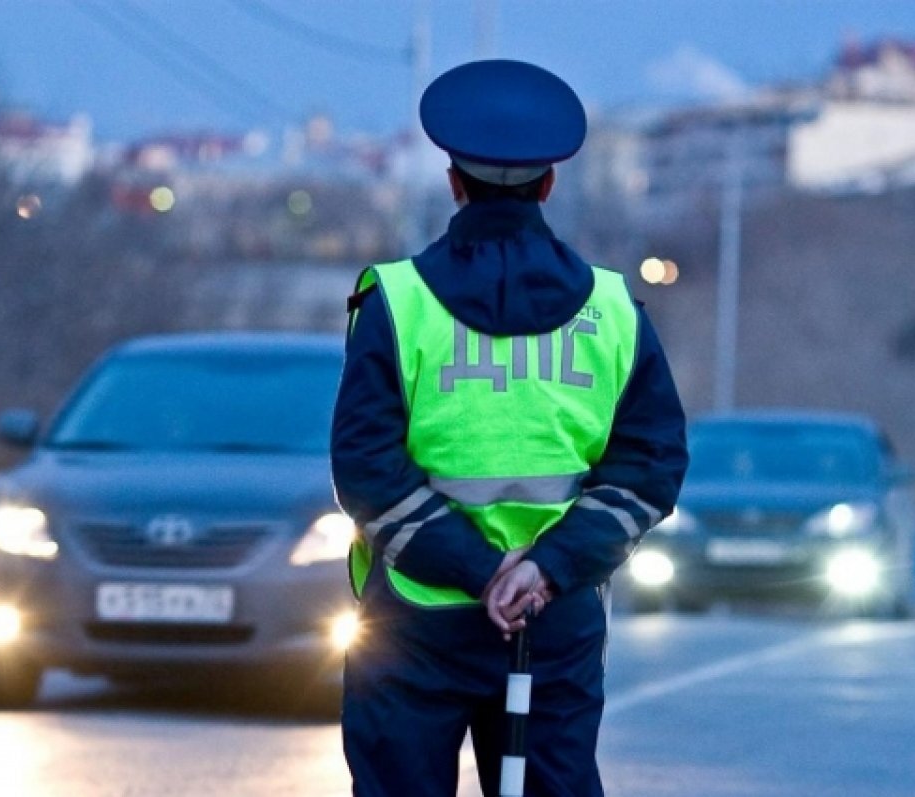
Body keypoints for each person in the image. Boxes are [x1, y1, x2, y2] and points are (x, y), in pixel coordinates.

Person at [330, 59, 689, 797]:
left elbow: (365, 468)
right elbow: (651, 466)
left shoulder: (395, 303)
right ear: (549, 185)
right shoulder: (615, 312)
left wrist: (475, 567)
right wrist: (543, 569)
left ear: (453, 182)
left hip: (413, 622)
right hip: (552, 622)